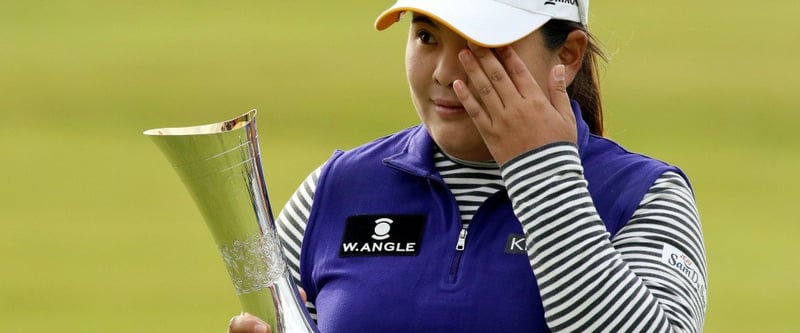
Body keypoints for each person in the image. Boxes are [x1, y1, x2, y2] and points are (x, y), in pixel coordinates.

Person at [229, 0, 707, 331]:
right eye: (427, 37)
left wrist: (542, 174)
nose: (444, 72)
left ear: (568, 55)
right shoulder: (335, 189)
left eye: (480, 46)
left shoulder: (640, 195)